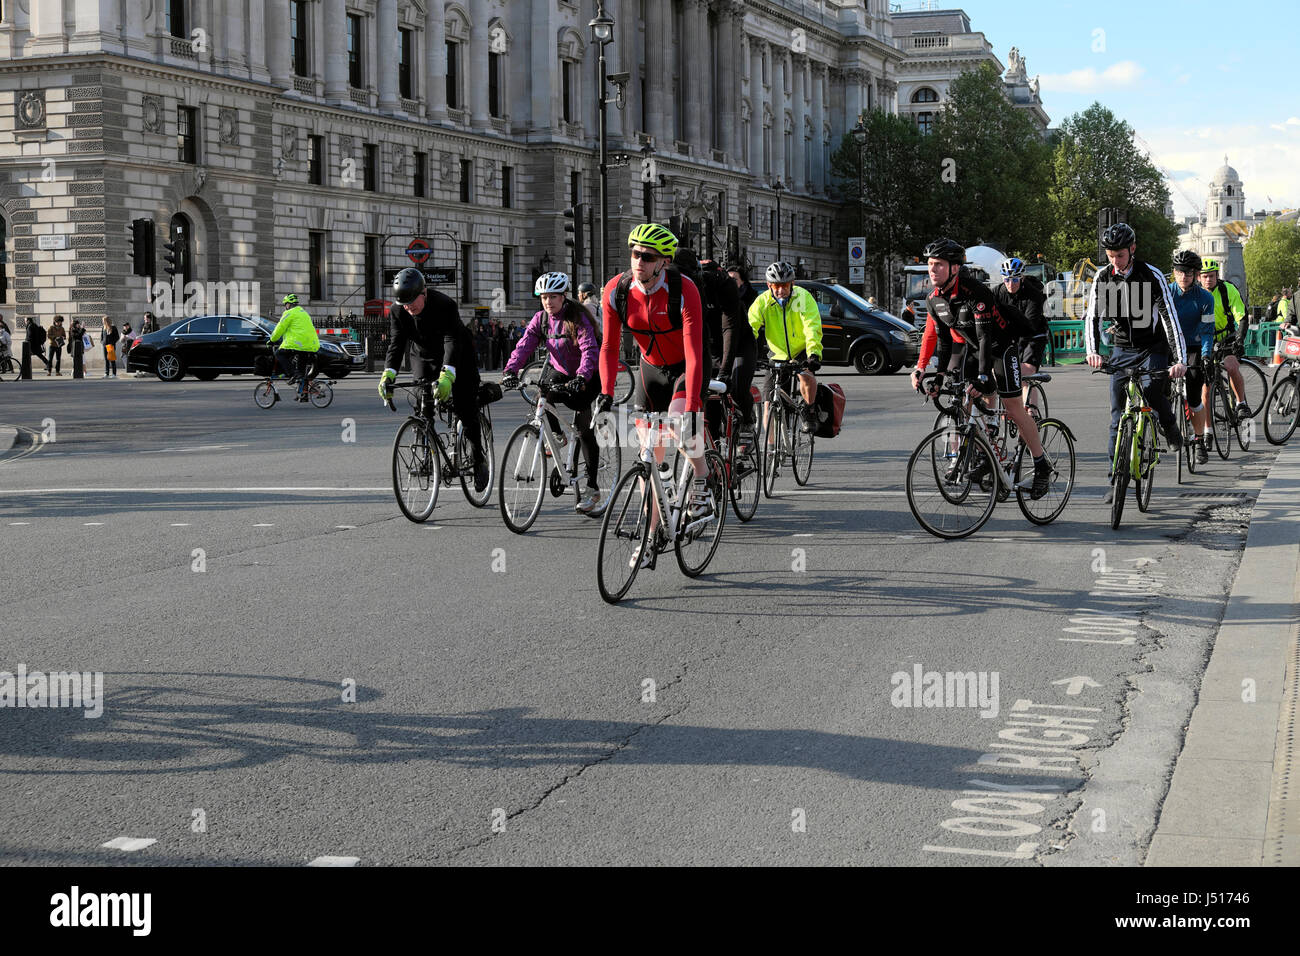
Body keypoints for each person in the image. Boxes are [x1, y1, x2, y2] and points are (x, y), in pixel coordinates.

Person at [597, 223, 712, 568]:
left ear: (663, 261)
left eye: (647, 257)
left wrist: (691, 405)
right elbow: (608, 346)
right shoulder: (616, 292)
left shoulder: (683, 289)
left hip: (685, 366)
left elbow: (694, 351)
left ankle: (703, 479)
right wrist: (605, 392)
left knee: (679, 425)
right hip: (650, 370)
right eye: (634, 254)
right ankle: (650, 539)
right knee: (650, 458)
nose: (638, 262)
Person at [911, 239, 1054, 498]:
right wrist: (938, 376)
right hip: (974, 349)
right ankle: (987, 457)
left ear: (955, 268)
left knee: (1012, 408)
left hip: (1000, 347)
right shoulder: (934, 300)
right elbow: (944, 342)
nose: (932, 270)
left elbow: (987, 338)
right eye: (931, 265)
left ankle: (1041, 463)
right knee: (965, 399)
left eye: (939, 265)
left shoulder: (975, 292)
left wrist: (981, 377)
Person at [1084, 223, 1187, 503]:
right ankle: (1114, 479)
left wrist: (1179, 360)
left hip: (1153, 347)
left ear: (1132, 249)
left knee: (1154, 391)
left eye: (1119, 254)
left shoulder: (1151, 275)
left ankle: (1169, 425)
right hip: (1121, 349)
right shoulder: (1103, 277)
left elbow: (1169, 318)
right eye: (1110, 255)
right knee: (1117, 416)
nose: (1115, 261)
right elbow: (1092, 317)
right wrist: (1093, 351)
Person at [501, 272, 604, 514]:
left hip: (587, 375)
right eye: (544, 297)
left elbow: (589, 348)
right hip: (560, 371)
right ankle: (557, 437)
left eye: (553, 297)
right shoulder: (541, 319)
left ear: (564, 296)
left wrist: (581, 377)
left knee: (584, 426)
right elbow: (524, 344)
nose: (548, 302)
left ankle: (592, 487)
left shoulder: (577, 317)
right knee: (542, 398)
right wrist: (510, 369)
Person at [379, 267, 489, 492]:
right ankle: (427, 447)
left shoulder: (444, 305)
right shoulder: (398, 312)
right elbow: (397, 343)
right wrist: (388, 373)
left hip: (457, 353)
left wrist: (448, 374)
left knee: (464, 405)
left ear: (424, 292)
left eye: (413, 302)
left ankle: (478, 459)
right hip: (424, 356)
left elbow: (451, 339)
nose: (409, 308)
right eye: (404, 304)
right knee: (421, 398)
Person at [749, 260, 823, 435]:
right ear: (769, 285)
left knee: (806, 376)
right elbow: (750, 327)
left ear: (792, 284)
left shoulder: (803, 298)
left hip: (801, 348)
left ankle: (809, 410)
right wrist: (746, 353)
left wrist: (813, 354)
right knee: (768, 404)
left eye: (785, 286)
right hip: (776, 353)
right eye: (776, 286)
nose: (781, 290)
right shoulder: (762, 302)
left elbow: (812, 326)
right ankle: (771, 450)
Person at [698, 253, 756, 434]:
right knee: (709, 398)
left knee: (737, 386)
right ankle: (714, 447)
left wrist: (724, 373)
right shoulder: (693, 291)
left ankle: (747, 421)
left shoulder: (726, 292)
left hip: (740, 345)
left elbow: (729, 334)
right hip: (713, 347)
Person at [1169, 250, 1216, 465]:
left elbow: (1207, 330)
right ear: (1174, 272)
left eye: (1188, 272)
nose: (1183, 276)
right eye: (1179, 272)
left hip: (1194, 347)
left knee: (1195, 397)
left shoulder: (1205, 297)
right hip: (1170, 346)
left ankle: (1198, 439)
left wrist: (1206, 355)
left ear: (1196, 274)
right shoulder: (1166, 293)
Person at [993, 257, 1049, 410]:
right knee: (1000, 372)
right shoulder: (998, 292)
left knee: (1025, 374)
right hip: (1010, 336)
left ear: (1022, 277)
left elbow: (1029, 328)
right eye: (1007, 280)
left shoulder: (1034, 295)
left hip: (1034, 335)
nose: (1011, 284)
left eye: (1016, 280)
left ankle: (1032, 413)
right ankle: (1009, 406)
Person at [1197, 258, 1249, 417]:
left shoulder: (1228, 289)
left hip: (1227, 337)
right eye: (1205, 276)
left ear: (1217, 275)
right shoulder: (1195, 293)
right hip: (1205, 339)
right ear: (1199, 277)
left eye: (1211, 276)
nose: (1208, 280)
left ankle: (1241, 404)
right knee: (1204, 380)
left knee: (1232, 367)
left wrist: (1240, 339)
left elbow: (1242, 316)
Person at [268, 293, 320, 401]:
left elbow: (279, 329)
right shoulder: (304, 313)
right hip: (311, 345)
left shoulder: (289, 313)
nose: (285, 306)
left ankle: (292, 374)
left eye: (285, 304)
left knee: (279, 354)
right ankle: (304, 395)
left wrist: (272, 340)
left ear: (288, 304)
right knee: (301, 369)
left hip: (298, 344)